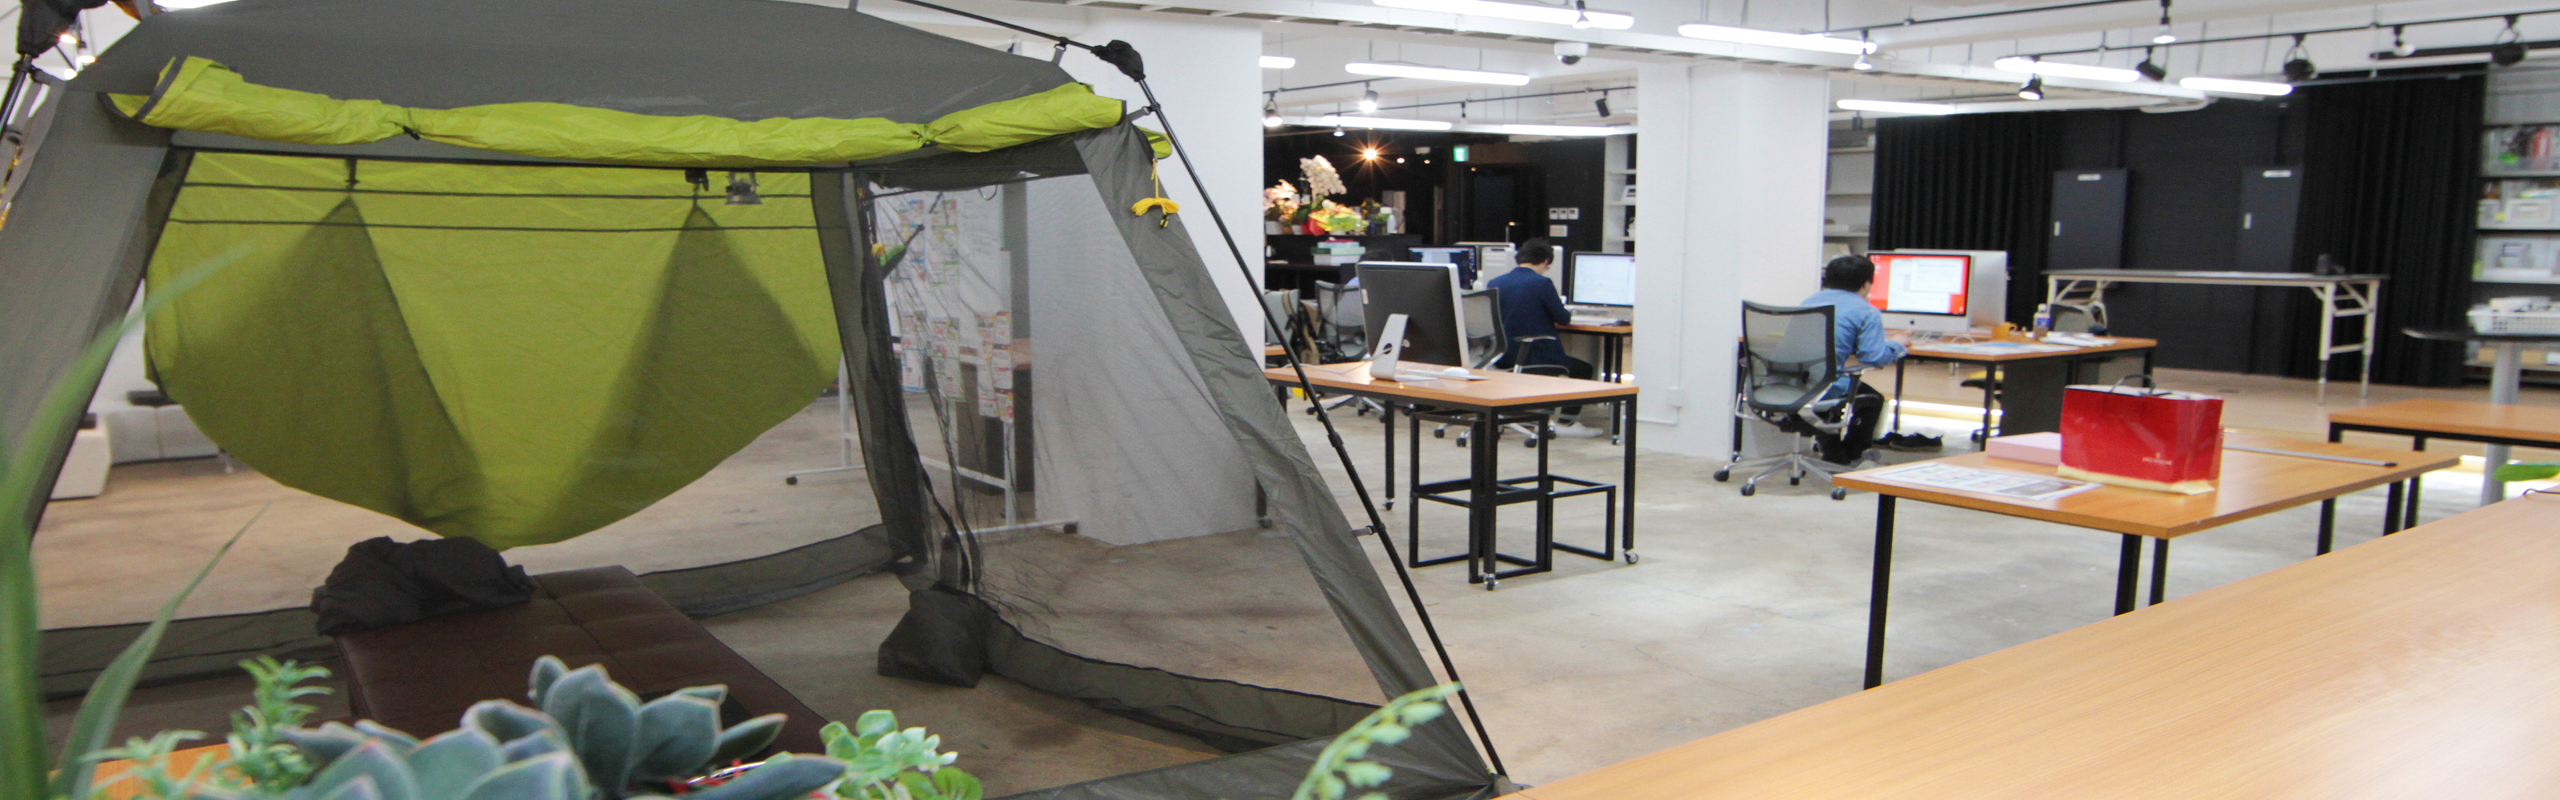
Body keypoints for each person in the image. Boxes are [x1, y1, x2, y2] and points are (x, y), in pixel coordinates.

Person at [1798, 256, 1938, 464]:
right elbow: (1873, 357)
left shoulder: (1810, 302)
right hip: (1823, 383)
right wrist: (1896, 344)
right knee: (1872, 399)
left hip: (1790, 379)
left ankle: (1834, 451)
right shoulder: (1865, 311)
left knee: (1834, 394)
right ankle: (1849, 455)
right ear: (1866, 284)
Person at [1486, 239, 1604, 439]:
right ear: (1545, 261)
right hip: (1534, 356)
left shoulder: (1495, 282)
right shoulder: (1542, 283)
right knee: (1583, 369)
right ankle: (1566, 423)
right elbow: (1563, 318)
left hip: (1502, 356)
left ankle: (1542, 415)